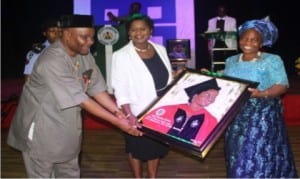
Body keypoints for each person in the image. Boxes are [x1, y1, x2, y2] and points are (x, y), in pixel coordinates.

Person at [7, 14, 142, 178]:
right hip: (42, 128)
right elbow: (82, 100)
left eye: (92, 37)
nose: (91, 42)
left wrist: (118, 112)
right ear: (66, 34)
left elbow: (96, 87)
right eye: (84, 37)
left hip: (67, 127)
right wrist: (118, 123)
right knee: (42, 174)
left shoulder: (84, 54)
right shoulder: (51, 60)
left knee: (69, 173)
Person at [223, 17, 298, 178]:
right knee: (236, 151)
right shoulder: (230, 60)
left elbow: (282, 85)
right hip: (235, 116)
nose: (248, 42)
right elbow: (225, 83)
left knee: (257, 152)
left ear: (261, 43)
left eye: (254, 39)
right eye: (244, 38)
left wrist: (262, 93)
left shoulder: (272, 60)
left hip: (262, 114)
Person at [111, 14, 173, 178]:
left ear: (150, 30)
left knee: (156, 146)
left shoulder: (161, 49)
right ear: (129, 33)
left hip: (161, 108)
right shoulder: (121, 55)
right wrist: (129, 114)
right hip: (136, 110)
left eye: (142, 29)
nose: (138, 33)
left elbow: (168, 77)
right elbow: (120, 87)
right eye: (133, 30)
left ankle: (152, 177)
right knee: (136, 148)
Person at [142, 78, 220, 146]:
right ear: (195, 95)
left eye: (214, 97)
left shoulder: (211, 120)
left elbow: (206, 140)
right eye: (208, 95)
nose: (211, 99)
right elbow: (147, 121)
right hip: (160, 143)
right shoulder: (170, 109)